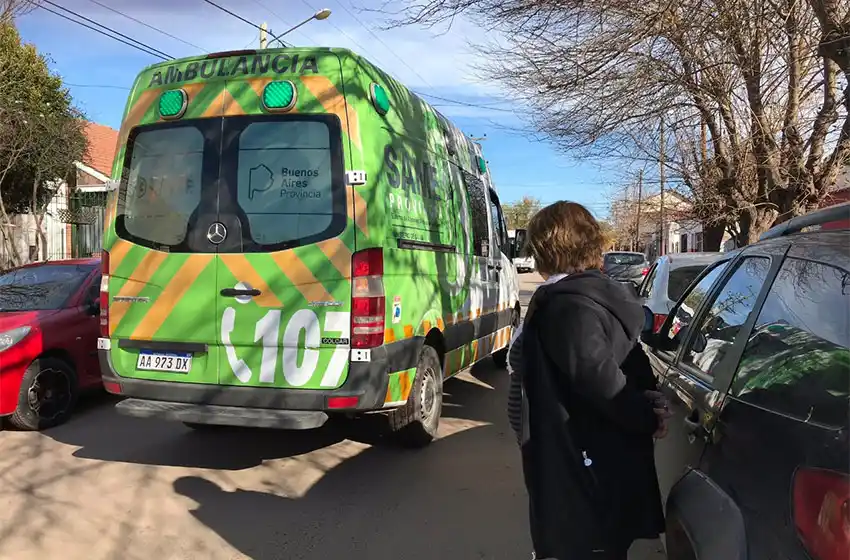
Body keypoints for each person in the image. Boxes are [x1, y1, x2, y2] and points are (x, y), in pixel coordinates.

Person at [507, 201, 670, 560]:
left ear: (549, 248)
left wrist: (647, 416)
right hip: (587, 462)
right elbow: (632, 363)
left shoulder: (568, 307)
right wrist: (650, 403)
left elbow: (605, 383)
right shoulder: (582, 297)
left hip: (581, 470)